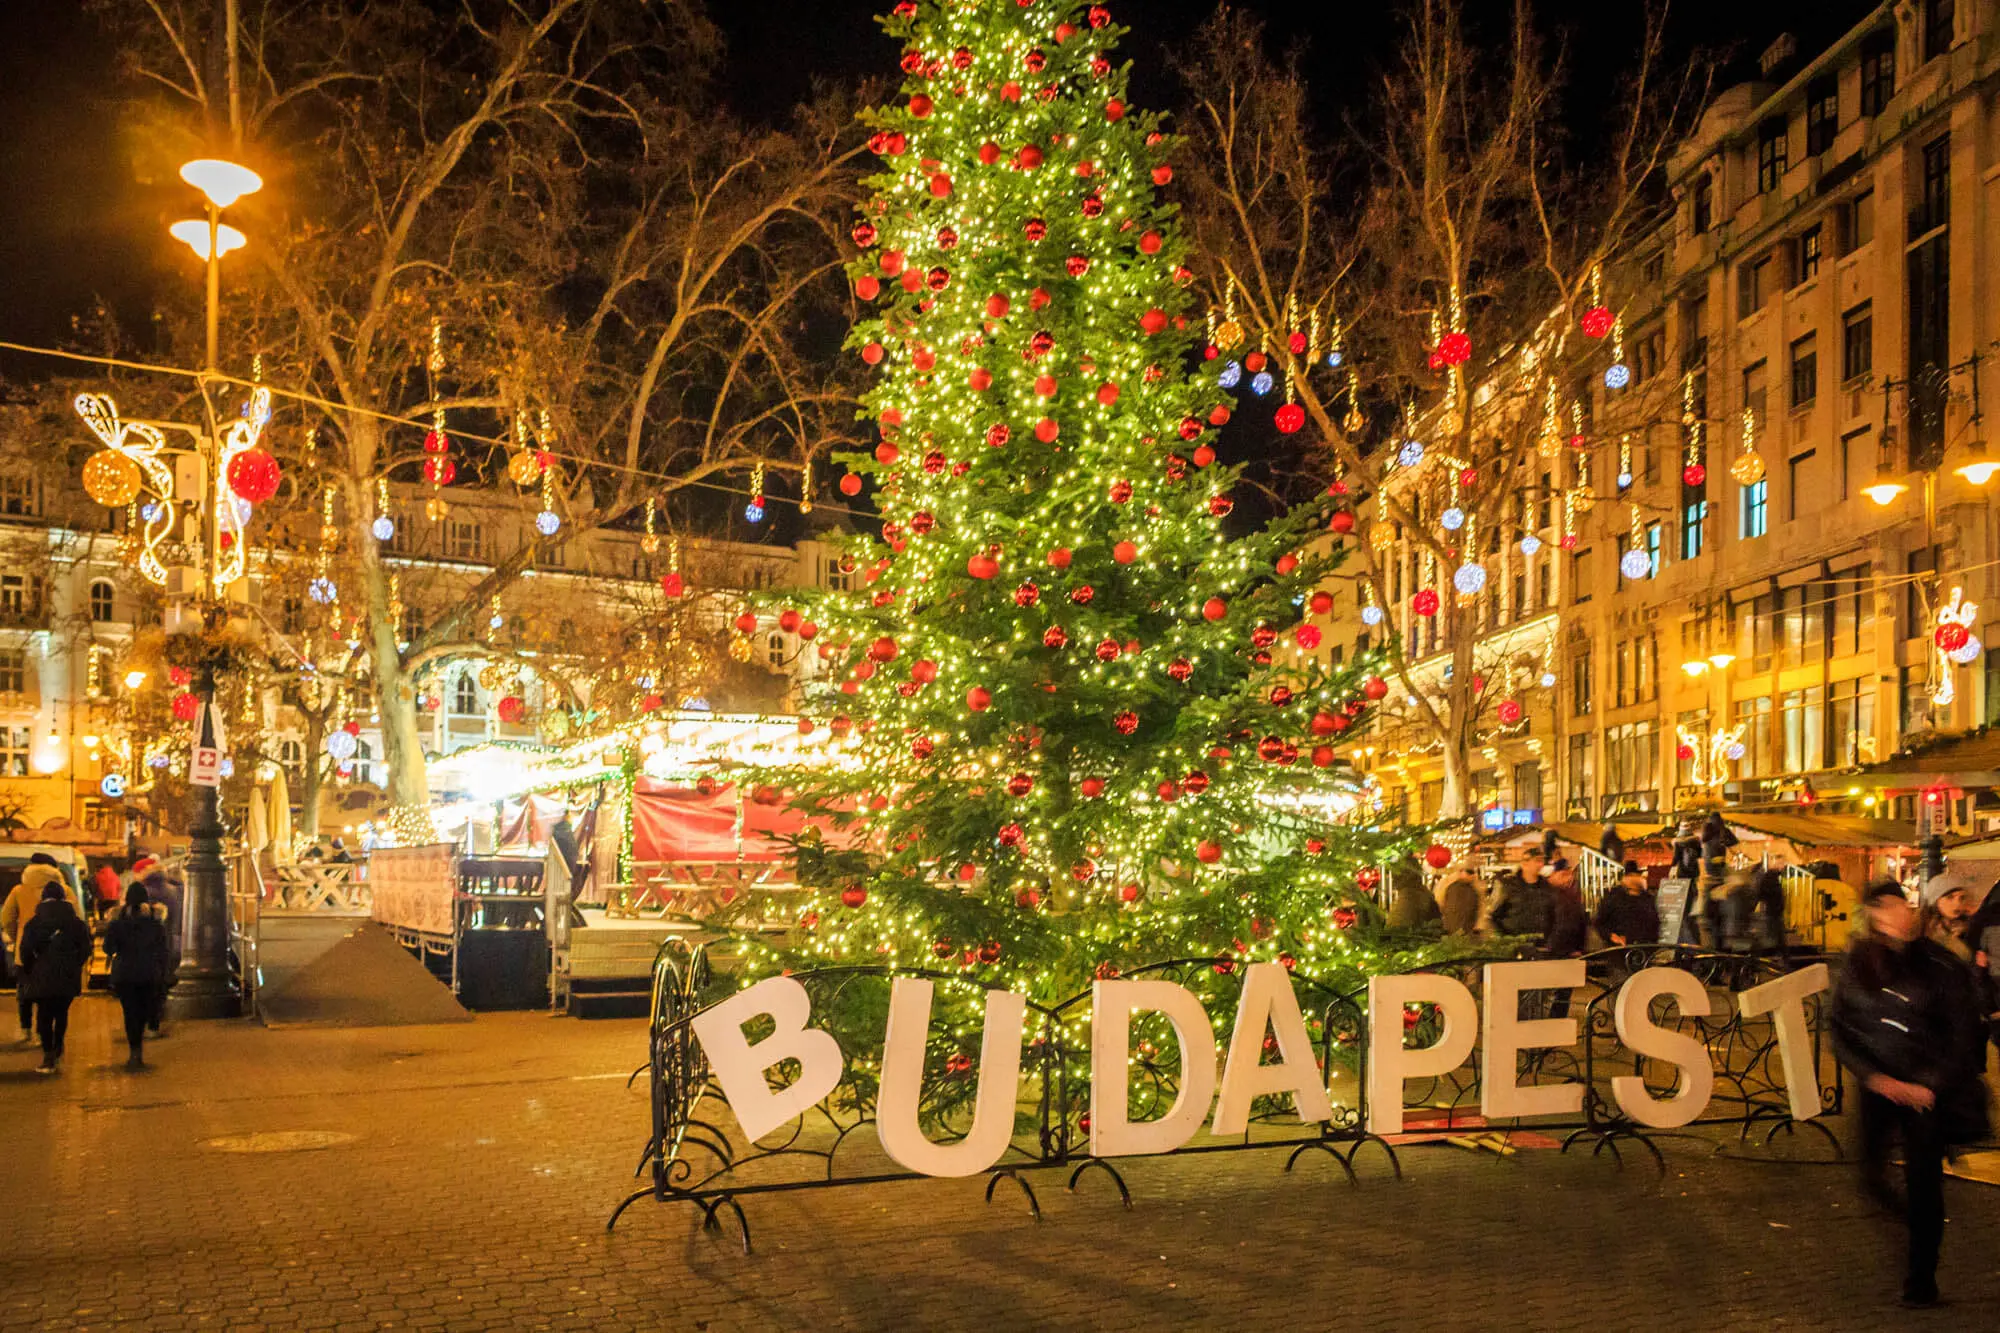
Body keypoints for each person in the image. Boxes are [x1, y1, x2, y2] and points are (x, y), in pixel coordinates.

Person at [1832, 881, 1989, 1308]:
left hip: (1925, 1094)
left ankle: (1921, 1276)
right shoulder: (1858, 962)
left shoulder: (1938, 964)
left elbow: (1962, 1037)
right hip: (1880, 1087)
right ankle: (1919, 1225)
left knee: (1923, 1183)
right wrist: (1873, 1078)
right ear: (1875, 915)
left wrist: (1927, 1084)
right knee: (1871, 1177)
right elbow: (1839, 1026)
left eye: (1906, 904)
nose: (1904, 912)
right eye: (1892, 906)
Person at [17, 878, 92, 1074]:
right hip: (67, 975)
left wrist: (32, 968)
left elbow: (25, 951)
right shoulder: (76, 923)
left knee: (44, 1015)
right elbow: (86, 949)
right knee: (61, 1013)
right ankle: (58, 1047)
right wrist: (75, 964)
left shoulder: (34, 923)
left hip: (41, 975)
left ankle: (48, 1054)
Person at [102, 882, 172, 1070]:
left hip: (124, 974)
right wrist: (164, 974)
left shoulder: (117, 923)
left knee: (129, 1012)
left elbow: (108, 948)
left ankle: (134, 1050)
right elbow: (163, 951)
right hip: (148, 973)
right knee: (143, 1011)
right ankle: (139, 1047)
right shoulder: (155, 924)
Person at [1, 862, 56, 1042]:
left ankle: (26, 1029)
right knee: (46, 995)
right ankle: (43, 1032)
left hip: (24, 952)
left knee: (25, 992)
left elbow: (6, 917)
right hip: (52, 953)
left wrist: (17, 937)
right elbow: (76, 917)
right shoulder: (62, 890)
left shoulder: (18, 891)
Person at [1490, 847, 1552, 943]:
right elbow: (1494, 915)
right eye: (1537, 861)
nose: (1541, 864)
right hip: (1515, 944)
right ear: (1524, 863)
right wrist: (1504, 940)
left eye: (1542, 861)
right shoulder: (1507, 885)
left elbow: (1552, 915)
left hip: (1541, 943)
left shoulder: (1547, 886)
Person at [1594, 860, 1661, 947]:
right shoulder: (1614, 897)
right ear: (1626, 878)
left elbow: (1654, 923)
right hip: (1618, 950)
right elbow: (1600, 923)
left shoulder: (1647, 898)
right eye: (1632, 876)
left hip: (1643, 949)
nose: (1635, 879)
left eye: (1637, 876)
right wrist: (1611, 936)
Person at [1435, 862, 1482, 936]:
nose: (1473, 876)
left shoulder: (1473, 887)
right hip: (1454, 924)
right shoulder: (1448, 884)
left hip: (1466, 926)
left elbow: (1479, 907)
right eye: (1470, 873)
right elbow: (1440, 903)